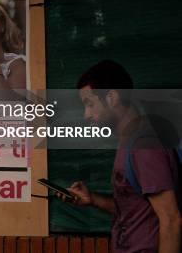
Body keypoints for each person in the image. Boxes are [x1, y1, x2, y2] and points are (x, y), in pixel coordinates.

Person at [59, 60, 180, 253]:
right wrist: (93, 199)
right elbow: (134, 210)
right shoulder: (128, 141)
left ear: (112, 97)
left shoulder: (145, 145)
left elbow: (171, 220)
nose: (86, 115)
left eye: (89, 104)